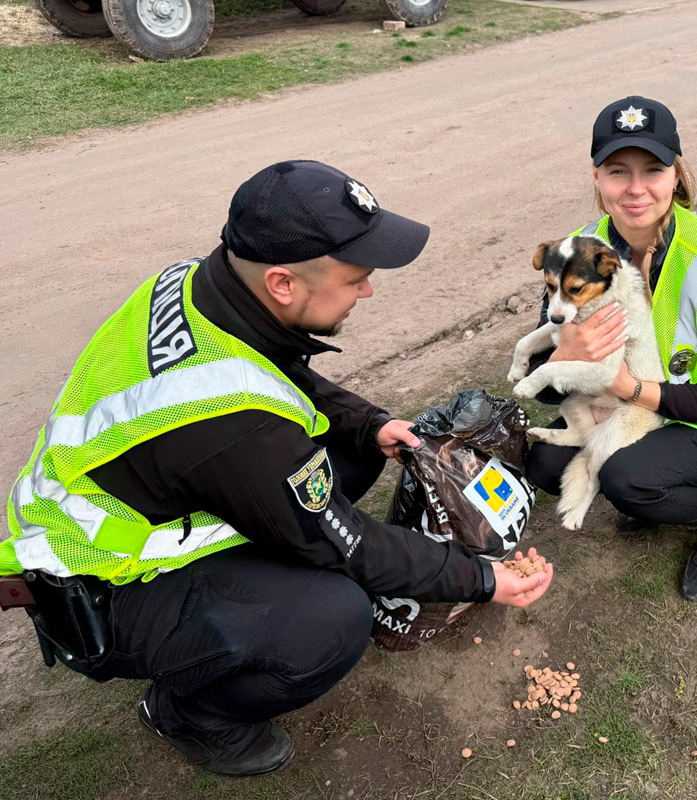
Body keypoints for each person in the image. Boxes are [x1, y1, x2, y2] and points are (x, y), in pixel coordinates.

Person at [0, 160, 553, 777]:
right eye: (356, 278)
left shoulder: (197, 283)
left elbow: (276, 371)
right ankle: (188, 714)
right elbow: (354, 547)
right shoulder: (240, 430)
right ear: (284, 283)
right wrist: (482, 578)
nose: (367, 291)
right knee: (333, 619)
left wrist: (369, 423)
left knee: (350, 448)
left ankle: (261, 572)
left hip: (153, 493)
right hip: (101, 586)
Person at [522, 97, 697, 602]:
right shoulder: (579, 250)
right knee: (545, 460)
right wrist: (563, 356)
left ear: (676, 174)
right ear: (596, 177)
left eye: (653, 169)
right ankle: (653, 492)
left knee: (627, 477)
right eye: (617, 170)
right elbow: (545, 390)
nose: (634, 188)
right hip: (646, 406)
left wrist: (626, 387)